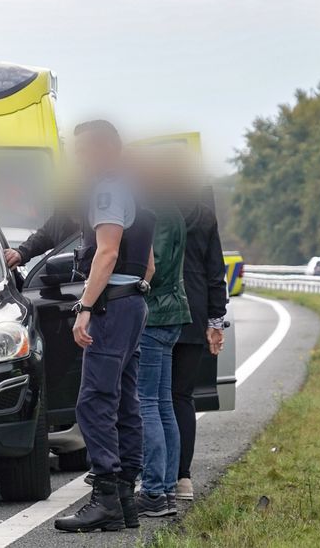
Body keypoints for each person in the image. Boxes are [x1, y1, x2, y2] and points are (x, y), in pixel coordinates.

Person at [54, 121, 155, 533]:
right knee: (125, 401)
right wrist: (136, 291)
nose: (79, 160)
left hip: (112, 307)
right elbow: (149, 262)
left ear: (102, 151)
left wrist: (85, 306)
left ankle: (107, 499)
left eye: (83, 152)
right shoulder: (138, 188)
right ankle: (126, 499)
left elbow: (108, 251)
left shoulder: (109, 188)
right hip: (132, 301)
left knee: (94, 401)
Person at [135, 196, 190, 518]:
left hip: (155, 313)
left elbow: (153, 264)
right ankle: (166, 489)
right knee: (163, 403)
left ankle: (154, 490)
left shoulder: (157, 210)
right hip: (171, 311)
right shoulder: (174, 209)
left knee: (147, 403)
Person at [171, 192, 228, 501]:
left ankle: (154, 472)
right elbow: (215, 271)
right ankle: (183, 478)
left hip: (159, 312)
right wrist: (216, 321)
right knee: (182, 396)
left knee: (152, 398)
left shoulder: (150, 208)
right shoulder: (204, 215)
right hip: (194, 312)